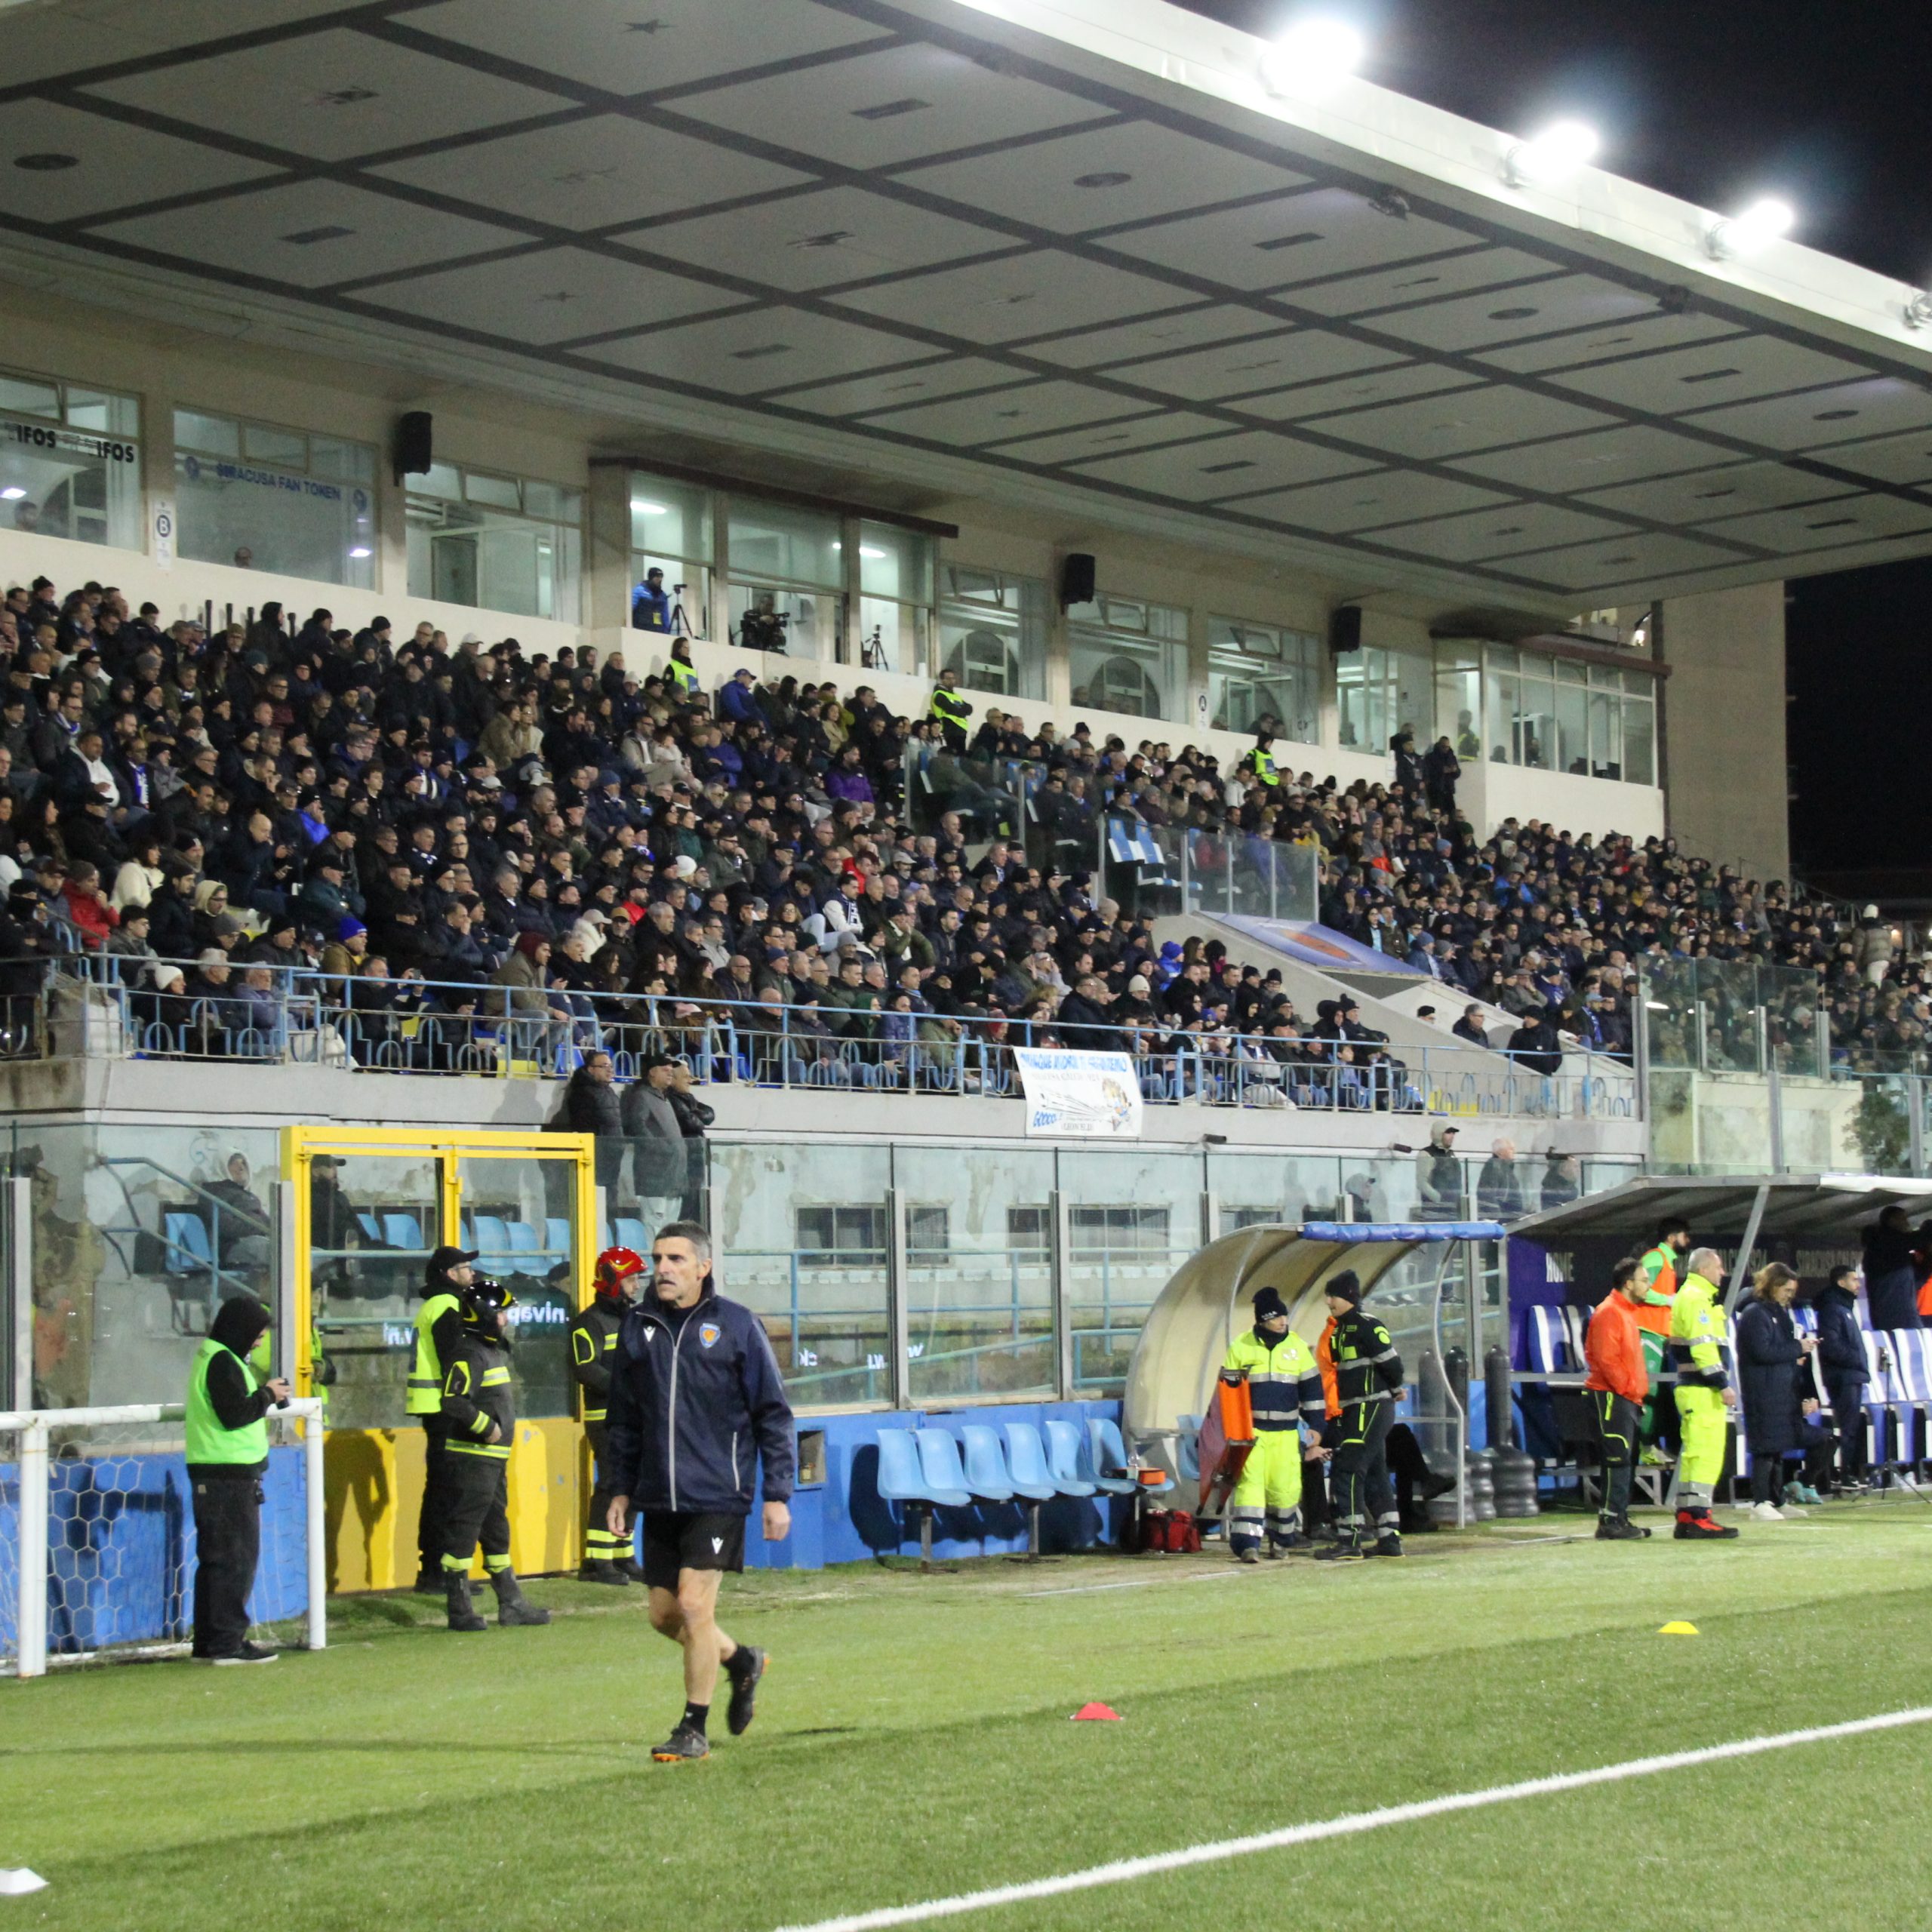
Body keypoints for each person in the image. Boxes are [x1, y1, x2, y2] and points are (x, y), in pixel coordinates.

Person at [605, 1221, 794, 1764]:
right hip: (659, 1496)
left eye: (676, 1260)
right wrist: (619, 1490)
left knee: (693, 1605)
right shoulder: (637, 1326)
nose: (662, 1269)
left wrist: (777, 1493)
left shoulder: (736, 1325)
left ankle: (693, 1728)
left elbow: (773, 1413)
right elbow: (624, 1419)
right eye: (658, 1259)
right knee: (665, 1617)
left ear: (703, 1268)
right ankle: (740, 1661)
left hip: (718, 1493)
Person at [436, 1275, 551, 1632]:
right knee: (465, 1530)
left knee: (496, 1529)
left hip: (491, 1459)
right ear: (484, 1315)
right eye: (501, 1313)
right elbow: (453, 1400)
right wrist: (487, 1427)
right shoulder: (469, 1352)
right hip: (473, 1457)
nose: (505, 1319)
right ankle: (459, 1609)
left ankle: (511, 1603)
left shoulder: (489, 1351)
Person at [186, 1294, 291, 1664]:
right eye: (256, 1335)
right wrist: (268, 1395)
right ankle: (227, 1644)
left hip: (215, 1474)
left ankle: (210, 1643)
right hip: (227, 1477)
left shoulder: (213, 1355)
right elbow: (234, 1414)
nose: (259, 1343)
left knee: (217, 1563)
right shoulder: (222, 1361)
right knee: (235, 1562)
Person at [1220, 1285, 1327, 1562]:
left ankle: (1280, 1542)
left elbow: (1313, 1392)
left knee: (1285, 1491)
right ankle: (1247, 1545)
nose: (1283, 1321)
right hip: (1251, 1434)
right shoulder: (1241, 1347)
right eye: (1277, 1317)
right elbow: (1228, 1395)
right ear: (1262, 1320)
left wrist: (1316, 1427)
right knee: (1250, 1490)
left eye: (1284, 1316)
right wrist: (1232, 1433)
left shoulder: (1298, 1348)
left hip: (1286, 1435)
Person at [1312, 1271, 1404, 1561]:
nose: (1328, 1302)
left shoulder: (1368, 1325)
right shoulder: (1338, 1331)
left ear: (1349, 1296)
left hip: (1370, 1407)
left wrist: (1395, 1389)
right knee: (1376, 1474)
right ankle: (1389, 1540)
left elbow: (1393, 1365)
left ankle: (1349, 1541)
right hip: (1356, 1409)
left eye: (1333, 1296)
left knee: (1347, 1469)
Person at [1734, 1263, 1834, 1518]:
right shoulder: (1755, 1314)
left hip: (1781, 1392)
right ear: (1772, 1285)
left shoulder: (1777, 1313)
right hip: (1762, 1392)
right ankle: (1760, 1503)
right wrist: (1797, 1348)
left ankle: (1777, 1501)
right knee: (1766, 1448)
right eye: (1786, 1290)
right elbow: (1762, 1352)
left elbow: (1780, 1352)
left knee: (1778, 1448)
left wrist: (1796, 1355)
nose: (1790, 1295)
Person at [572, 1244, 646, 1586]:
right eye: (631, 1279)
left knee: (634, 1483)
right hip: (604, 1417)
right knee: (612, 1483)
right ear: (613, 1280)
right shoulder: (588, 1322)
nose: (636, 1285)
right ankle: (597, 1561)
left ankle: (622, 1554)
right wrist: (625, 1391)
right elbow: (585, 1368)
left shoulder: (632, 1317)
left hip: (634, 1415)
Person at [408, 1245, 476, 1593]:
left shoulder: (437, 1304)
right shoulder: (447, 1306)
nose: (472, 1273)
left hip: (437, 1408)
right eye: (466, 1267)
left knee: (442, 1489)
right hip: (445, 1410)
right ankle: (438, 1571)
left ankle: (437, 1569)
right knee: (446, 1491)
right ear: (451, 1274)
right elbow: (455, 1360)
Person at [1669, 1246, 1739, 1540]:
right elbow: (1703, 1349)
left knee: (1694, 1456)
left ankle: (1688, 1516)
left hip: (1694, 1389)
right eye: (1718, 1267)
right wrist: (1722, 1383)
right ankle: (1698, 1517)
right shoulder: (1697, 1299)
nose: (1723, 1272)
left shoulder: (1693, 1296)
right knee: (1705, 1456)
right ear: (1703, 1269)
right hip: (1702, 1389)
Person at [1583, 1257, 1651, 1541]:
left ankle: (1619, 1517)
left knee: (1626, 1459)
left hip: (1626, 1398)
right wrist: (1627, 1389)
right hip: (1611, 1396)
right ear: (1628, 1283)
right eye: (1644, 1280)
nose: (1648, 1285)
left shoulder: (1625, 1312)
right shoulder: (1610, 1312)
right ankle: (1610, 1521)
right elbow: (1607, 1359)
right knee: (1617, 1457)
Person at [1633, 1214, 1690, 1459]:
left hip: (1658, 1335)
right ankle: (1644, 1448)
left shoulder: (1666, 1262)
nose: (1688, 1241)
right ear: (1672, 1237)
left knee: (1659, 1393)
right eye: (1685, 1236)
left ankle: (1651, 1446)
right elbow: (1640, 1290)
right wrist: (1668, 1300)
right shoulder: (1656, 1257)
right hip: (1646, 1332)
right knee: (1649, 1390)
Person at [1814, 1263, 1871, 1493]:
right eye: (1854, 1280)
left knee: (1852, 1426)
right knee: (1846, 1427)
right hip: (1843, 1377)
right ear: (1841, 1282)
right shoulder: (1832, 1309)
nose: (1858, 1284)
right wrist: (1857, 1359)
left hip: (1852, 1375)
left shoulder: (1844, 1307)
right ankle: (1843, 1474)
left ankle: (1850, 1473)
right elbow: (1832, 1347)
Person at [621, 1054, 687, 1228]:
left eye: (671, 1070)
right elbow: (638, 1127)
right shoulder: (642, 1096)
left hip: (673, 1179)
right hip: (655, 1178)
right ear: (652, 1072)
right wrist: (663, 1150)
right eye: (665, 1069)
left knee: (669, 1230)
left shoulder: (663, 1098)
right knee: (654, 1227)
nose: (670, 1073)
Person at [1860, 1205, 1921, 1330]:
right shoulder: (1886, 1242)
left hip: (1894, 1312)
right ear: (1892, 1220)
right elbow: (1916, 1239)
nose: (1907, 1223)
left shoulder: (1887, 1246)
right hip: (1896, 1314)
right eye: (1903, 1219)